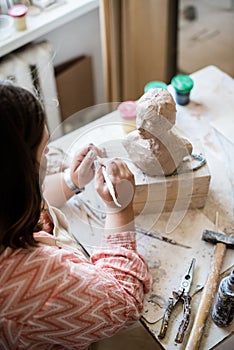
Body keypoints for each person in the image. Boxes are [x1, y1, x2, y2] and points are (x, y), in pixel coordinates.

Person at [0, 81, 153, 349]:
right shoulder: (29, 280)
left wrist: (71, 181)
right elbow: (125, 301)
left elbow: (22, 200)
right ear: (19, 175)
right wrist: (119, 209)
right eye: (44, 151)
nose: (48, 157)